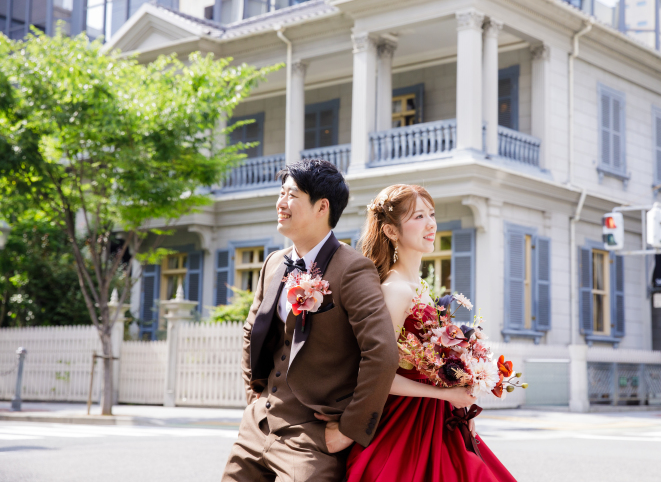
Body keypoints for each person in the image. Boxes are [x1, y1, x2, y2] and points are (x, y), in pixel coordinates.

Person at [221, 160, 399, 482]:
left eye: (292, 195)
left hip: (312, 436)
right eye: (281, 193)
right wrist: (255, 398)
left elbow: (382, 352)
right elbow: (251, 332)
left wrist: (350, 430)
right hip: (256, 427)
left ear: (322, 207)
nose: (280, 203)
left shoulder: (352, 269)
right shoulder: (274, 263)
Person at [346, 184, 517, 482]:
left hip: (439, 418)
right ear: (391, 231)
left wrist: (460, 385)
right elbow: (375, 374)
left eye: (432, 214)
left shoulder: (420, 289)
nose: (431, 224)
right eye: (418, 217)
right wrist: (443, 394)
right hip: (404, 426)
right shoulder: (395, 290)